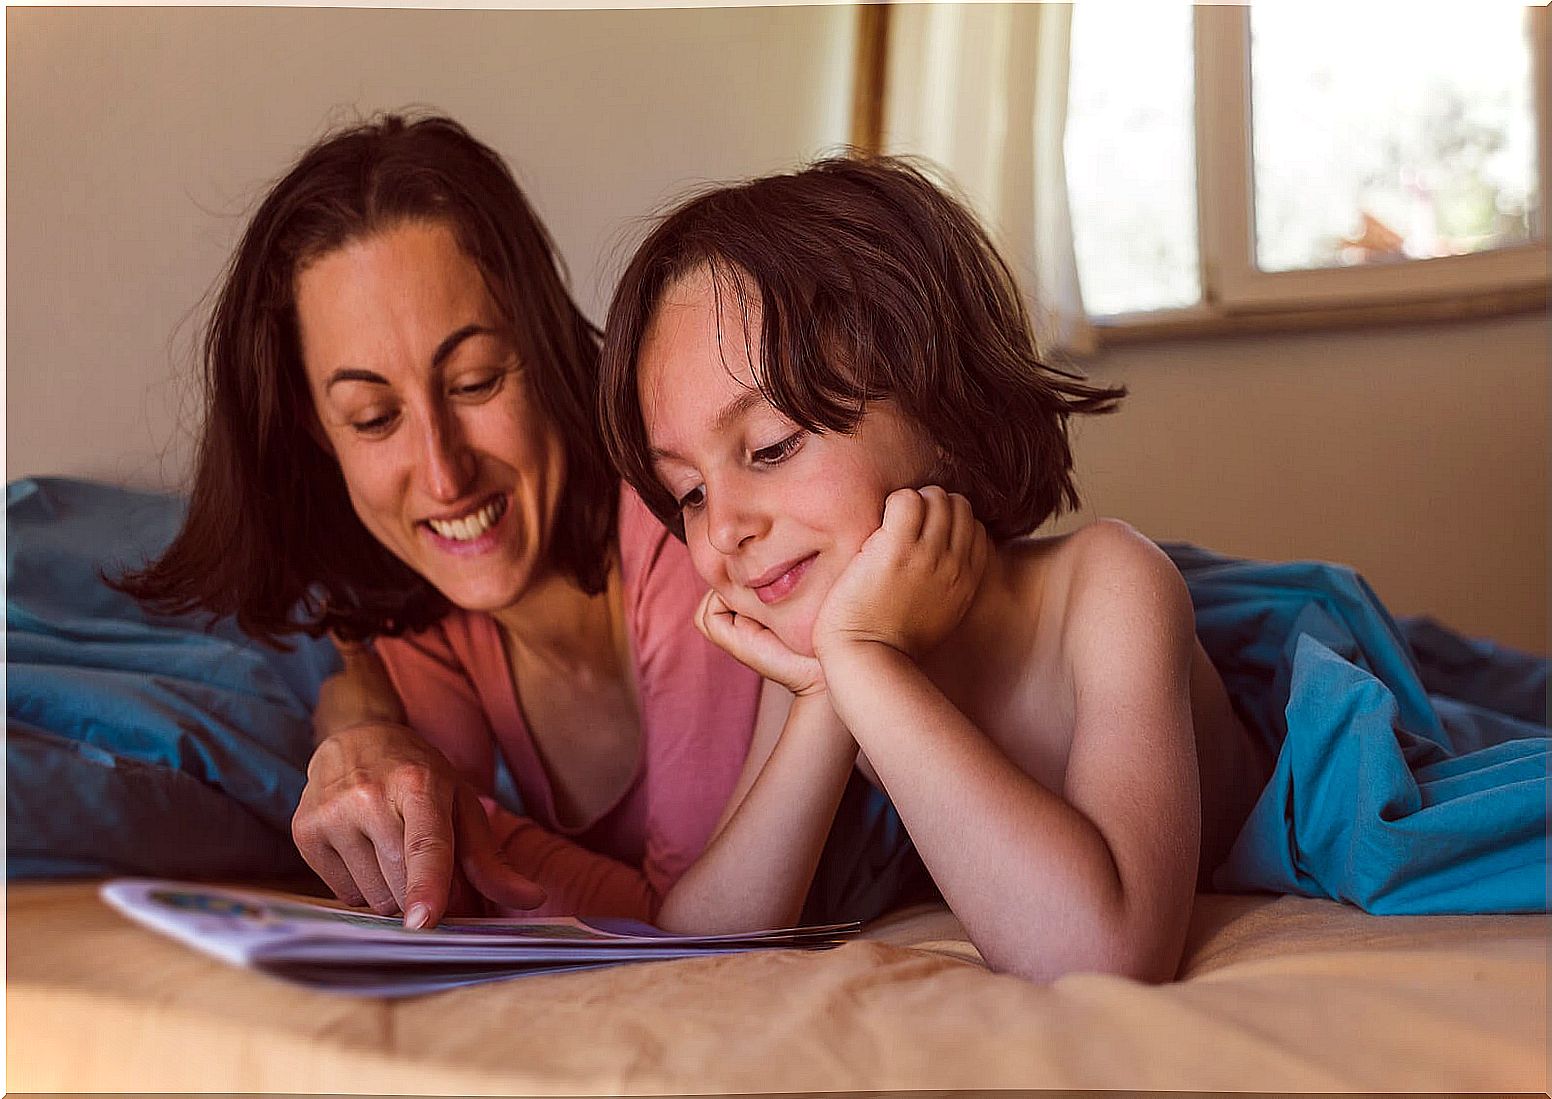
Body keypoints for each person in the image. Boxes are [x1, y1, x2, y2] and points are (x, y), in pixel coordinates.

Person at [595, 155, 1275, 982]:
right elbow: (704, 938)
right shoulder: (827, 652)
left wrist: (866, 665)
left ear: (941, 407)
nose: (726, 528)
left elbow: (1106, 951)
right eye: (689, 492)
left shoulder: (1110, 587)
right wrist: (827, 691)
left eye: (772, 446)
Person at [116, 113, 767, 931]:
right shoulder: (408, 615)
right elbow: (432, 887)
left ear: (546, 344)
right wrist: (368, 735)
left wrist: (429, 786)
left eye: (475, 381)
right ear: (320, 434)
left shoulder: (682, 524)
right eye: (374, 416)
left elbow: (687, 924)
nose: (444, 473)